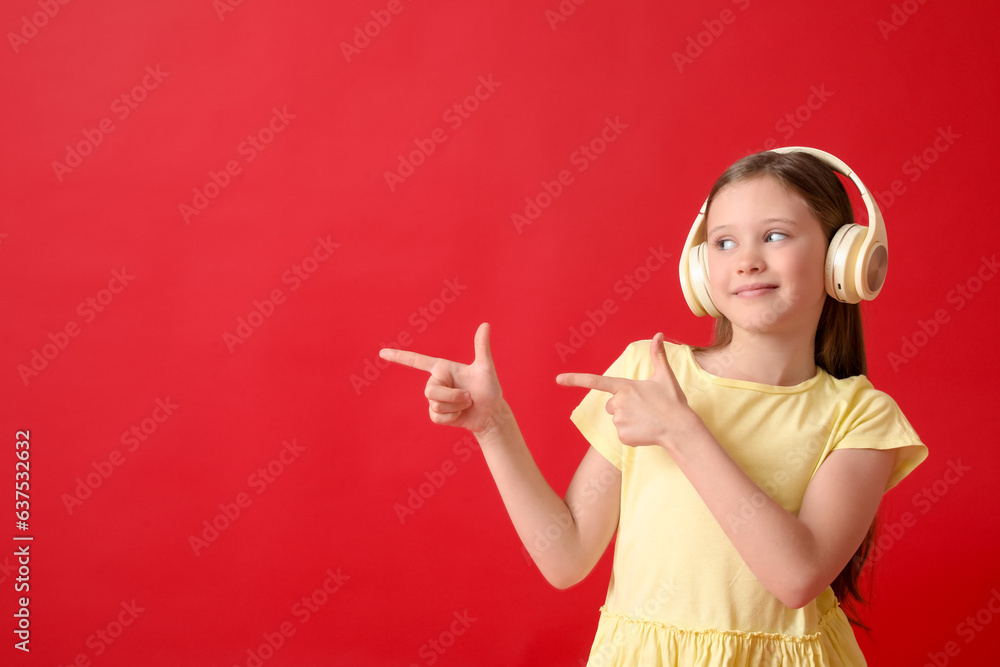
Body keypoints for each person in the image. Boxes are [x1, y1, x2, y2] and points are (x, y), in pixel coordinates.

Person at [379, 148, 928, 666]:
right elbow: (565, 557)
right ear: (700, 267)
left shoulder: (862, 415)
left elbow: (796, 577)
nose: (747, 261)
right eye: (724, 243)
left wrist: (682, 431)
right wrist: (494, 427)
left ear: (844, 257)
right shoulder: (649, 372)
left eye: (776, 236)